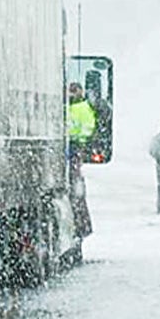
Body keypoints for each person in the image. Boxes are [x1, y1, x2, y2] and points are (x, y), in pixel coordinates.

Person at [66, 82, 97, 237]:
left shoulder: (84, 108)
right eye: (70, 90)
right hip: (68, 148)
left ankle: (81, 226)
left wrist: (76, 140)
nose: (72, 93)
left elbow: (88, 129)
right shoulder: (63, 106)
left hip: (74, 147)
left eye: (74, 90)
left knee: (75, 187)